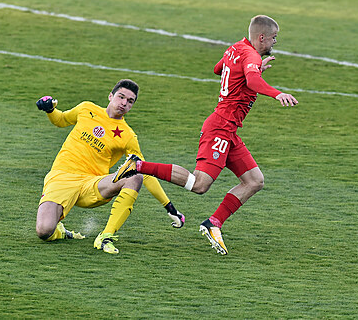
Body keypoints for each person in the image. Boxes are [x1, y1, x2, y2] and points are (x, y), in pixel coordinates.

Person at [113, 15, 298, 255]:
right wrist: (276, 92)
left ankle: (213, 223)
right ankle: (138, 166)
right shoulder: (251, 55)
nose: (275, 43)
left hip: (229, 130)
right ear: (261, 37)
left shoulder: (236, 48)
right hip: (220, 127)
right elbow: (251, 81)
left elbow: (218, 69)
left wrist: (249, 69)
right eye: (274, 38)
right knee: (200, 184)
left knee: (254, 181)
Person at [35, 79, 185, 254]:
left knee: (135, 175)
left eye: (130, 101)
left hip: (92, 185)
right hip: (61, 178)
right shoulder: (86, 109)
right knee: (44, 231)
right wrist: (50, 110)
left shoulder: (128, 136)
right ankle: (59, 232)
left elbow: (145, 171)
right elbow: (61, 119)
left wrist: (169, 206)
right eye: (121, 97)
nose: (124, 103)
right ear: (110, 96)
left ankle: (106, 236)